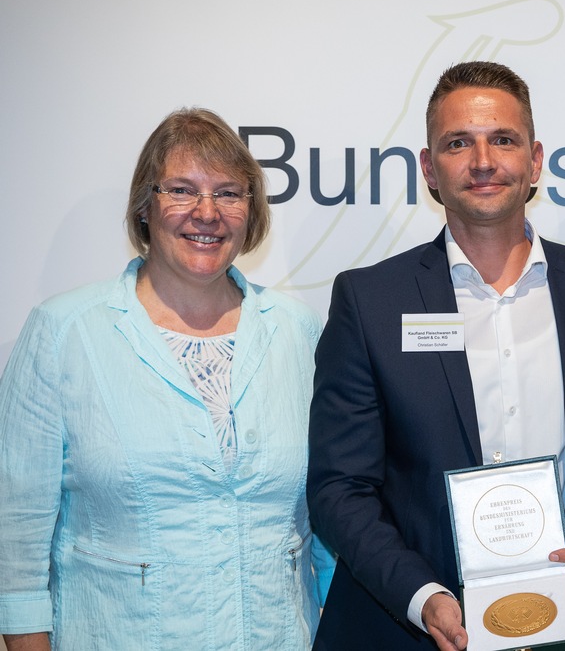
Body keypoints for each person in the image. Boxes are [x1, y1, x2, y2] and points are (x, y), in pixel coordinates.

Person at [307, 61, 565, 651]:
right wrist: (422, 596)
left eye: (503, 139)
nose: (483, 160)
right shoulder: (371, 301)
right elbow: (340, 488)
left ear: (536, 159)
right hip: (413, 628)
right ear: (429, 170)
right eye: (458, 143)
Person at [0, 108, 334, 651]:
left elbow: (324, 523)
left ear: (252, 213)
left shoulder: (299, 334)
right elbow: (16, 550)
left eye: (229, 193)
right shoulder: (64, 332)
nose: (207, 213)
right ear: (144, 207)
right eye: (181, 190)